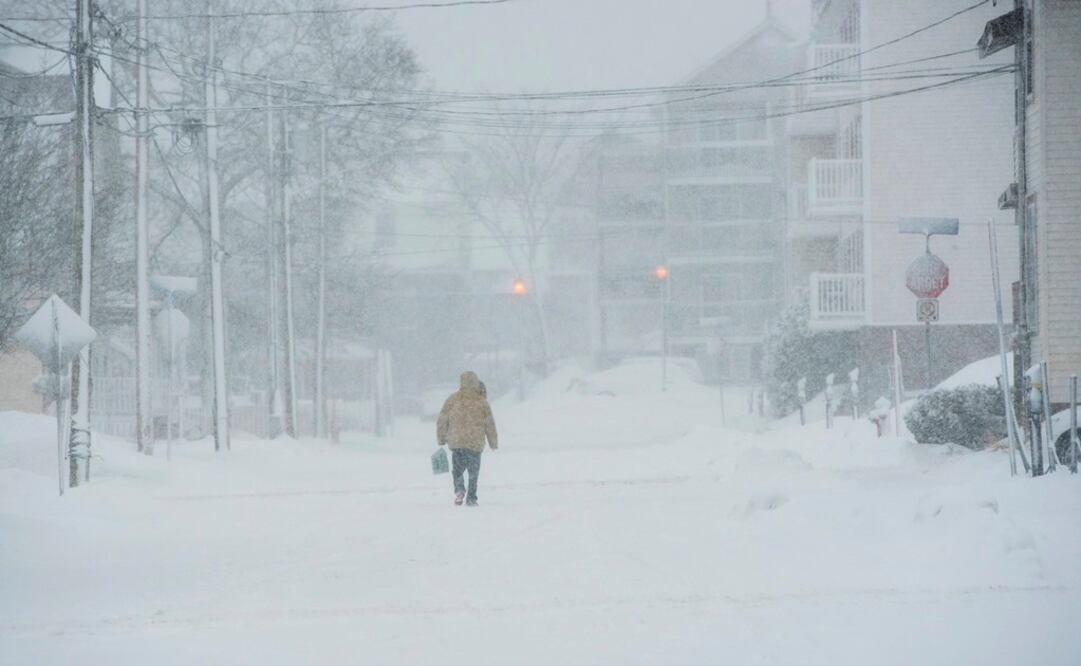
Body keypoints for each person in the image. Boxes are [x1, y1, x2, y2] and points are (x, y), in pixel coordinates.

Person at [437, 371, 498, 506]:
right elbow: (489, 423)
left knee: (457, 470)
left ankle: (459, 490)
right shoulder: (481, 401)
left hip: (457, 442)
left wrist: (441, 438)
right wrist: (493, 442)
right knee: (473, 472)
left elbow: (442, 420)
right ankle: (471, 498)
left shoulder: (452, 399)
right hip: (474, 443)